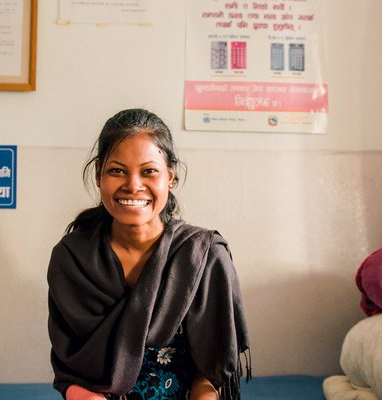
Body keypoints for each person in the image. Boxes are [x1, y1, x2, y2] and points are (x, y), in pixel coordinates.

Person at [47, 109, 250, 400]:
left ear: (170, 177)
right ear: (98, 176)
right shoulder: (72, 258)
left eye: (148, 171)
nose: (132, 185)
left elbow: (210, 374)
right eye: (117, 170)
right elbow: (71, 372)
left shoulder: (203, 256)